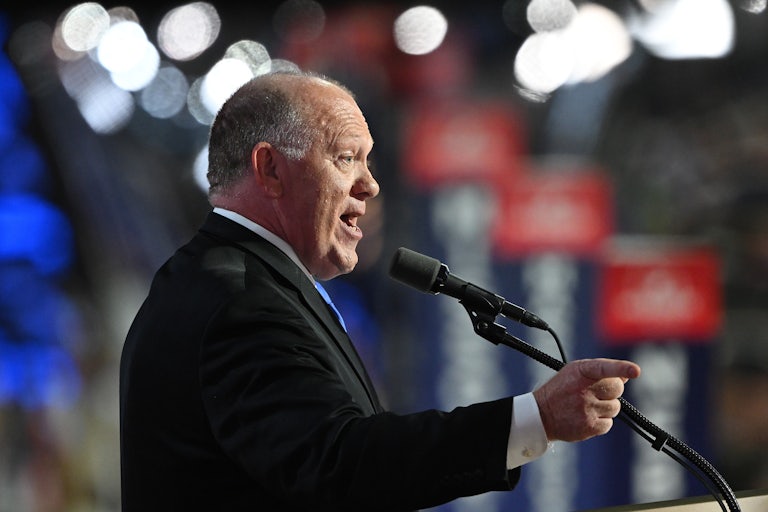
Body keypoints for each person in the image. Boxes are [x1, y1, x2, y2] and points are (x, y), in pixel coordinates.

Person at [119, 69, 641, 511]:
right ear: (271, 169)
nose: (370, 185)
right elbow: (339, 462)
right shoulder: (239, 301)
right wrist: (536, 418)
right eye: (347, 158)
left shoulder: (229, 279)